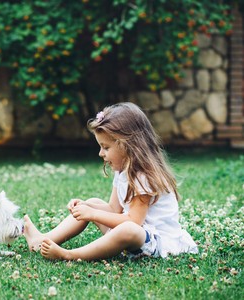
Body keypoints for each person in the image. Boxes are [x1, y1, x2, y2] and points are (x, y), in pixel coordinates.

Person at [24, 102, 198, 261]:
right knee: (92, 203)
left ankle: (70, 255)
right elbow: (114, 209)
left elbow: (134, 222)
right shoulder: (123, 171)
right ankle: (42, 240)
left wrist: (92, 215)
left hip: (156, 242)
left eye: (106, 147)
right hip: (134, 237)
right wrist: (85, 208)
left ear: (128, 145)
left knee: (127, 228)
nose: (101, 153)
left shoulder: (144, 176)